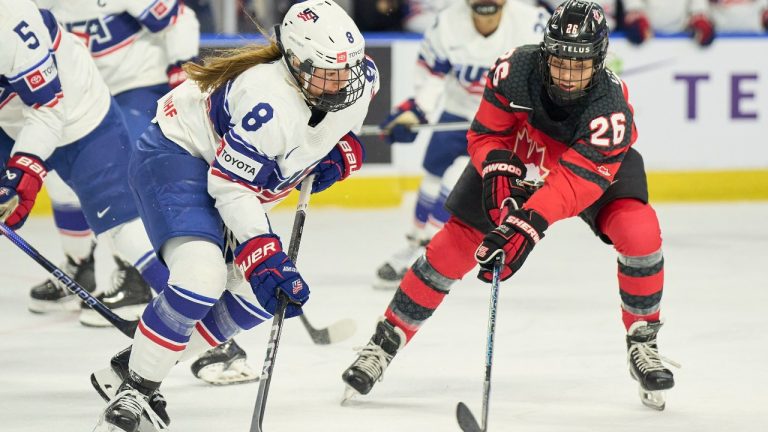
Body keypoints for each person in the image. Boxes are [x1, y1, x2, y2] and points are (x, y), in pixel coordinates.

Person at [343, 0, 678, 411]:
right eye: (559, 61)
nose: (568, 75)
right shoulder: (514, 70)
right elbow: (485, 134)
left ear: (600, 59)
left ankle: (642, 339)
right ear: (544, 51)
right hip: (522, 149)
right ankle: (386, 338)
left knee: (639, 230)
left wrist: (526, 223)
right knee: (452, 247)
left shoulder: (611, 109)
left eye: (581, 65)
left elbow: (571, 184)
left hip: (585, 167)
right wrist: (498, 171)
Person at [91, 1, 378, 430]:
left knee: (258, 297)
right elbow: (231, 185)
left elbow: (336, 125)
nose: (343, 83)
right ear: (296, 63)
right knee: (201, 278)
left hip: (227, 172)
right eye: (327, 72)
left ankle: (132, 366)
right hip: (178, 155)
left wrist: (340, 149)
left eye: (348, 69)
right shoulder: (268, 101)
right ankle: (136, 388)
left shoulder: (359, 79)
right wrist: (262, 251)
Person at [27, 0, 198, 328]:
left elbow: (180, 19)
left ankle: (135, 277)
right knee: (63, 175)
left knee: (119, 167)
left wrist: (181, 69)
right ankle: (80, 266)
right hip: (82, 95)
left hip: (136, 87)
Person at [374, 0, 548, 290]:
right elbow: (431, 75)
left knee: (458, 176)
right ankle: (414, 242)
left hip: (502, 123)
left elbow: (544, 79)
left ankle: (429, 243)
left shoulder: (532, 23)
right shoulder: (447, 23)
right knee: (432, 175)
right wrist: (417, 111)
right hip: (457, 109)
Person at [623, 0, 716, 46]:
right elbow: (633, 5)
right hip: (649, 33)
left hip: (683, 31)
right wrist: (636, 14)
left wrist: (698, 15)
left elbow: (698, 6)